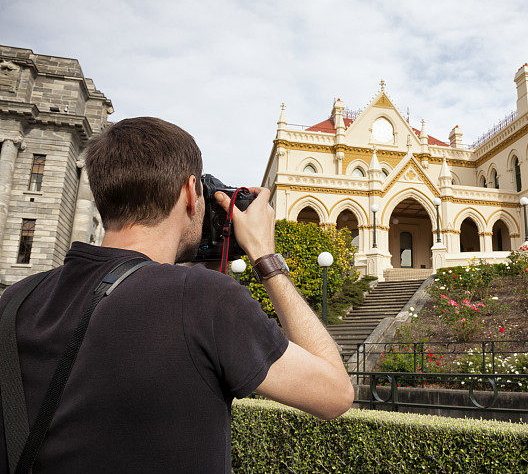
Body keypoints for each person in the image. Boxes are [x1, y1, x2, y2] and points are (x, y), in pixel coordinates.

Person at [0, 117, 353, 473]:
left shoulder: (15, 300)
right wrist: (265, 256)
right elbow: (335, 393)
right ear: (189, 192)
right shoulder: (203, 300)